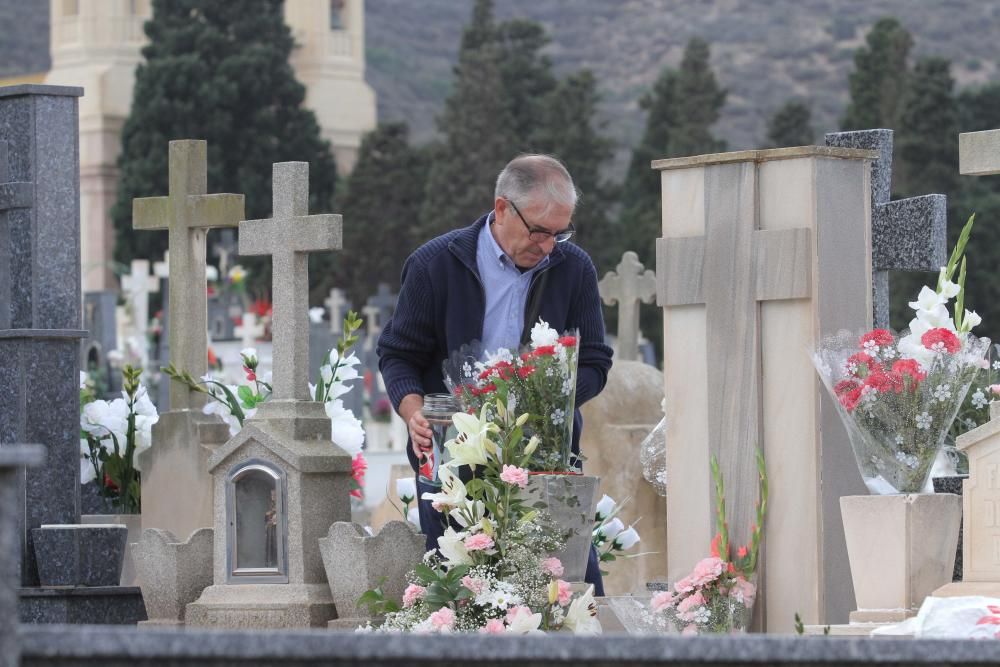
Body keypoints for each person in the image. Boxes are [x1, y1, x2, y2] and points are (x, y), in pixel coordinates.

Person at [377, 154, 613, 593]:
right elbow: (398, 355)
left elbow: (596, 362)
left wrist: (543, 400)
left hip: (546, 464)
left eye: (560, 233)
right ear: (502, 208)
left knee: (569, 596)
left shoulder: (573, 268)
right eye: (539, 231)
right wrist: (414, 414)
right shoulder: (434, 265)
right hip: (452, 459)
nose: (548, 246)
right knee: (463, 601)